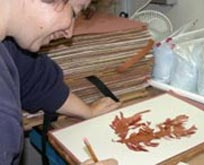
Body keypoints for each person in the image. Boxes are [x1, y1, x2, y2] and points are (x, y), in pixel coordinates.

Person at [0, 0, 120, 164]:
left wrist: (87, 112)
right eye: (74, 13)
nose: (69, 33)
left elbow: (35, 79)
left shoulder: (7, 43)